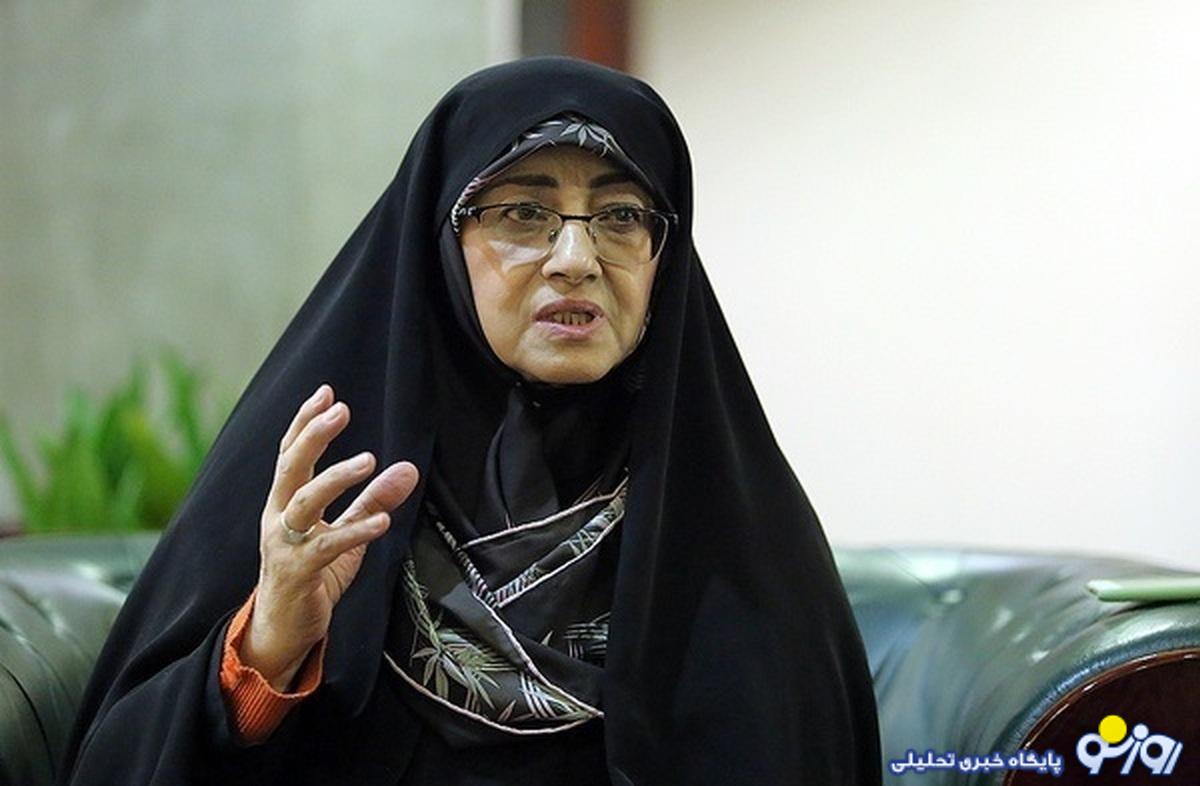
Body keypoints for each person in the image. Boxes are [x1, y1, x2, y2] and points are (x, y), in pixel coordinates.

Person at [58, 56, 882, 785]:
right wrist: (268, 647)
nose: (576, 260)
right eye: (523, 212)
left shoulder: (732, 540)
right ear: (440, 241)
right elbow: (119, 761)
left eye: (622, 216)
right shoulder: (327, 493)